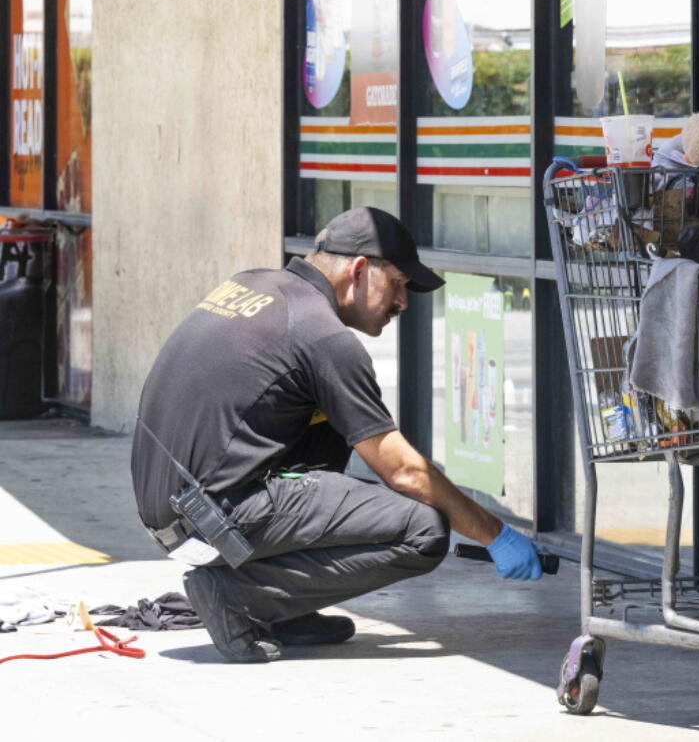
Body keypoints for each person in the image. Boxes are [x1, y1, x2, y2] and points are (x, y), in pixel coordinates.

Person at [130, 206, 542, 664]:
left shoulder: (252, 285)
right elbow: (404, 471)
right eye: (400, 284)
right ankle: (241, 596)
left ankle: (284, 609)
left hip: (168, 508)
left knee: (334, 426)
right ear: (360, 269)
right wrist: (496, 534)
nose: (404, 302)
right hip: (214, 513)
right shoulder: (323, 336)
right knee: (422, 529)